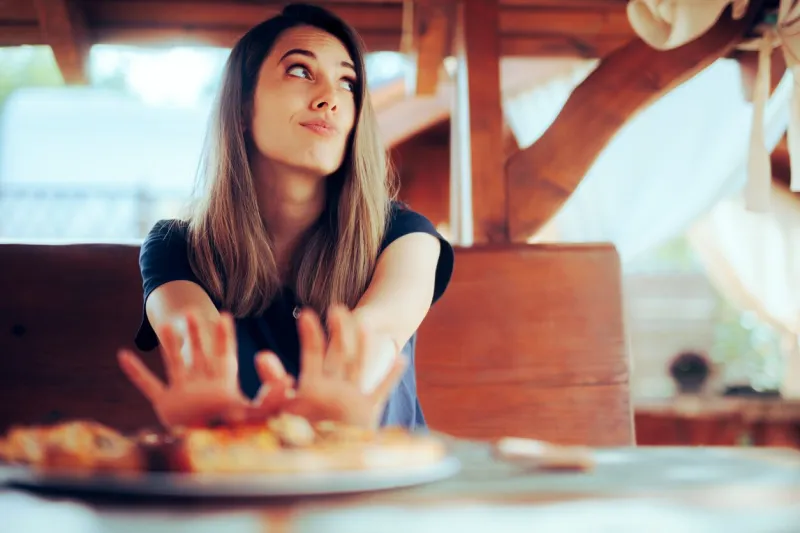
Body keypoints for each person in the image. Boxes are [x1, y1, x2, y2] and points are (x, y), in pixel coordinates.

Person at [116, 3, 453, 432]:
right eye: (300, 71)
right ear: (241, 107)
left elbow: (376, 335)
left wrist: (334, 400)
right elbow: (195, 346)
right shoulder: (176, 247)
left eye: (348, 82)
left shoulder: (406, 236)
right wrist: (226, 413)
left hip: (382, 487)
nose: (330, 98)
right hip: (246, 480)